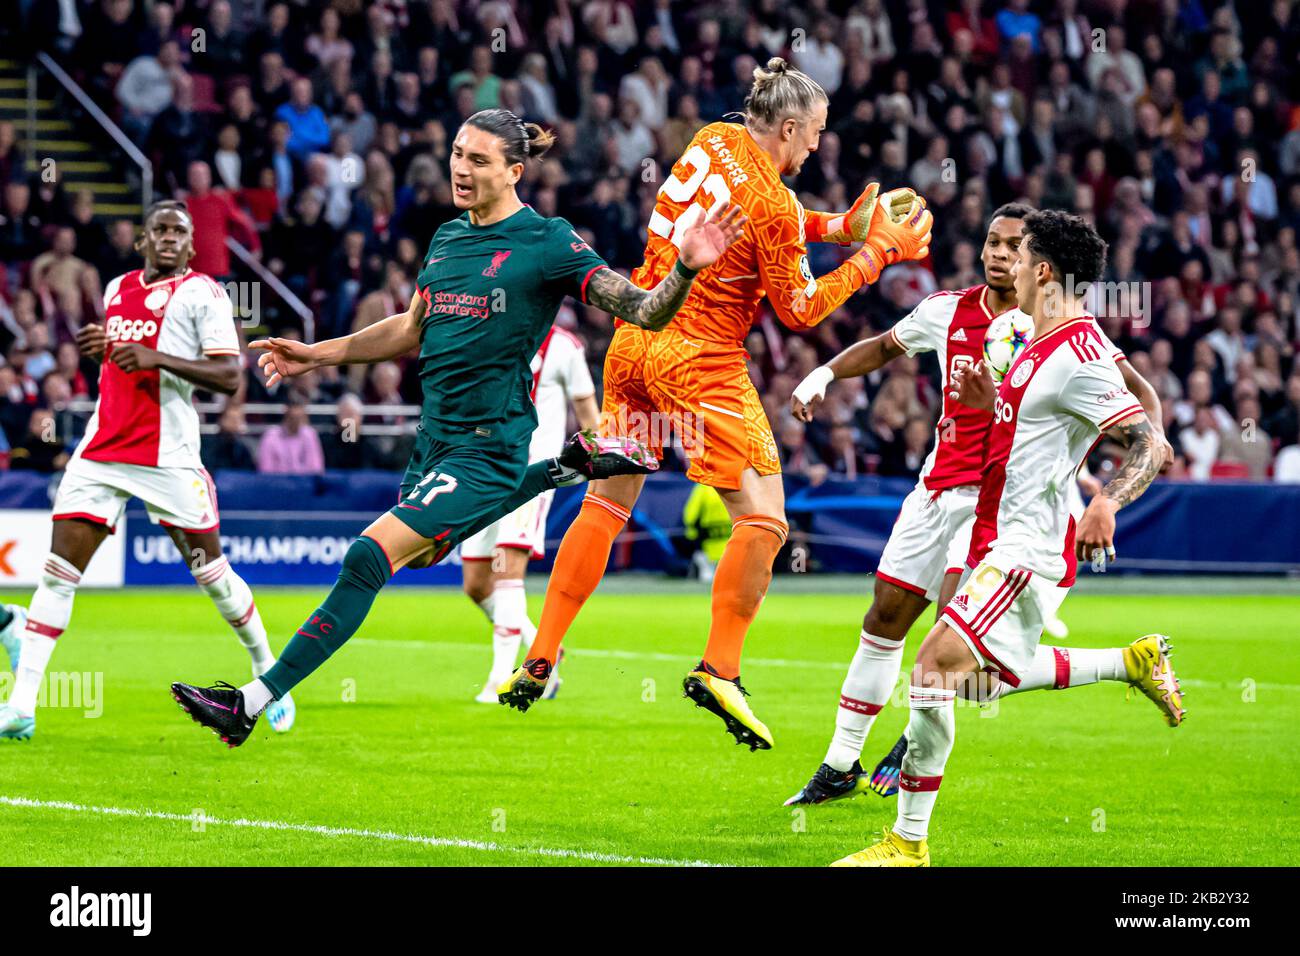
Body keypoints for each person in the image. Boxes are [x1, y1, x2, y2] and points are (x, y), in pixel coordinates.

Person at [168, 108, 745, 747]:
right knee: (426, 558)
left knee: (367, 557)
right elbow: (409, 329)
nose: (460, 168)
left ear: (514, 171)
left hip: (488, 445)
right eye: (457, 154)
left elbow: (641, 309)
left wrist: (687, 268)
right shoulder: (447, 239)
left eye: (477, 159)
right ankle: (568, 468)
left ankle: (250, 702)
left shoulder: (548, 241)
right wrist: (317, 353)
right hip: (434, 442)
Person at [499, 58, 932, 749]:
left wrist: (840, 228)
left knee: (607, 505)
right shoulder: (772, 201)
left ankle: (542, 652)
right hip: (699, 358)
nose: (817, 147)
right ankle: (720, 668)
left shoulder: (713, 138)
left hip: (635, 338)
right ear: (788, 127)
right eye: (814, 134)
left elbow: (772, 221)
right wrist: (879, 251)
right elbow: (801, 309)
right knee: (764, 520)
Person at [784, 205, 1174, 805]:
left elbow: (1134, 405)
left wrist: (1126, 473)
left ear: (1039, 266)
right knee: (916, 640)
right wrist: (825, 375)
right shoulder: (962, 316)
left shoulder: (1069, 336)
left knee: (945, 657)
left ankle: (910, 801)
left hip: (1003, 518)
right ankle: (843, 764)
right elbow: (888, 347)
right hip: (940, 491)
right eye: (992, 243)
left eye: (1014, 247)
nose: (1001, 256)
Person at [0, 201, 295, 741]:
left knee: (214, 578)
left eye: (178, 232)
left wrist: (156, 358)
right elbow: (125, 361)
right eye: (158, 229)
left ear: (189, 245)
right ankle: (22, 706)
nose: (168, 238)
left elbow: (229, 376)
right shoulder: (115, 289)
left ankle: (268, 672)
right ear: (142, 241)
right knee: (57, 574)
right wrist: (104, 351)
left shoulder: (204, 293)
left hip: (169, 458)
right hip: (102, 450)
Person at [461, 326, 599, 703]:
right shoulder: (491, 334)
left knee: (508, 572)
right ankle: (545, 652)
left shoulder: (566, 346)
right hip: (484, 470)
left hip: (532, 475)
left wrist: (599, 463)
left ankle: (499, 680)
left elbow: (587, 412)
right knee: (476, 583)